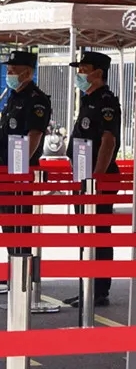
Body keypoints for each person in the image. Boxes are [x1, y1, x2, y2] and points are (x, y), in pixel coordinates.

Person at [62, 51, 122, 308]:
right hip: (84, 176)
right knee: (85, 235)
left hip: (98, 179)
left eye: (84, 69)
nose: (79, 74)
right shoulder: (88, 100)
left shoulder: (106, 101)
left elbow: (108, 141)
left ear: (98, 73)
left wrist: (96, 179)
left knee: (98, 234)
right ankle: (87, 286)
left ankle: (99, 289)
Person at [0, 50, 52, 292]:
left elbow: (34, 135)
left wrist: (17, 170)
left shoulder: (36, 99)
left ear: (28, 73)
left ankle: (22, 278)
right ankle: (13, 272)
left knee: (20, 225)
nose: (9, 73)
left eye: (13, 70)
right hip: (5, 172)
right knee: (8, 225)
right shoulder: (13, 97)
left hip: (20, 173)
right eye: (8, 70)